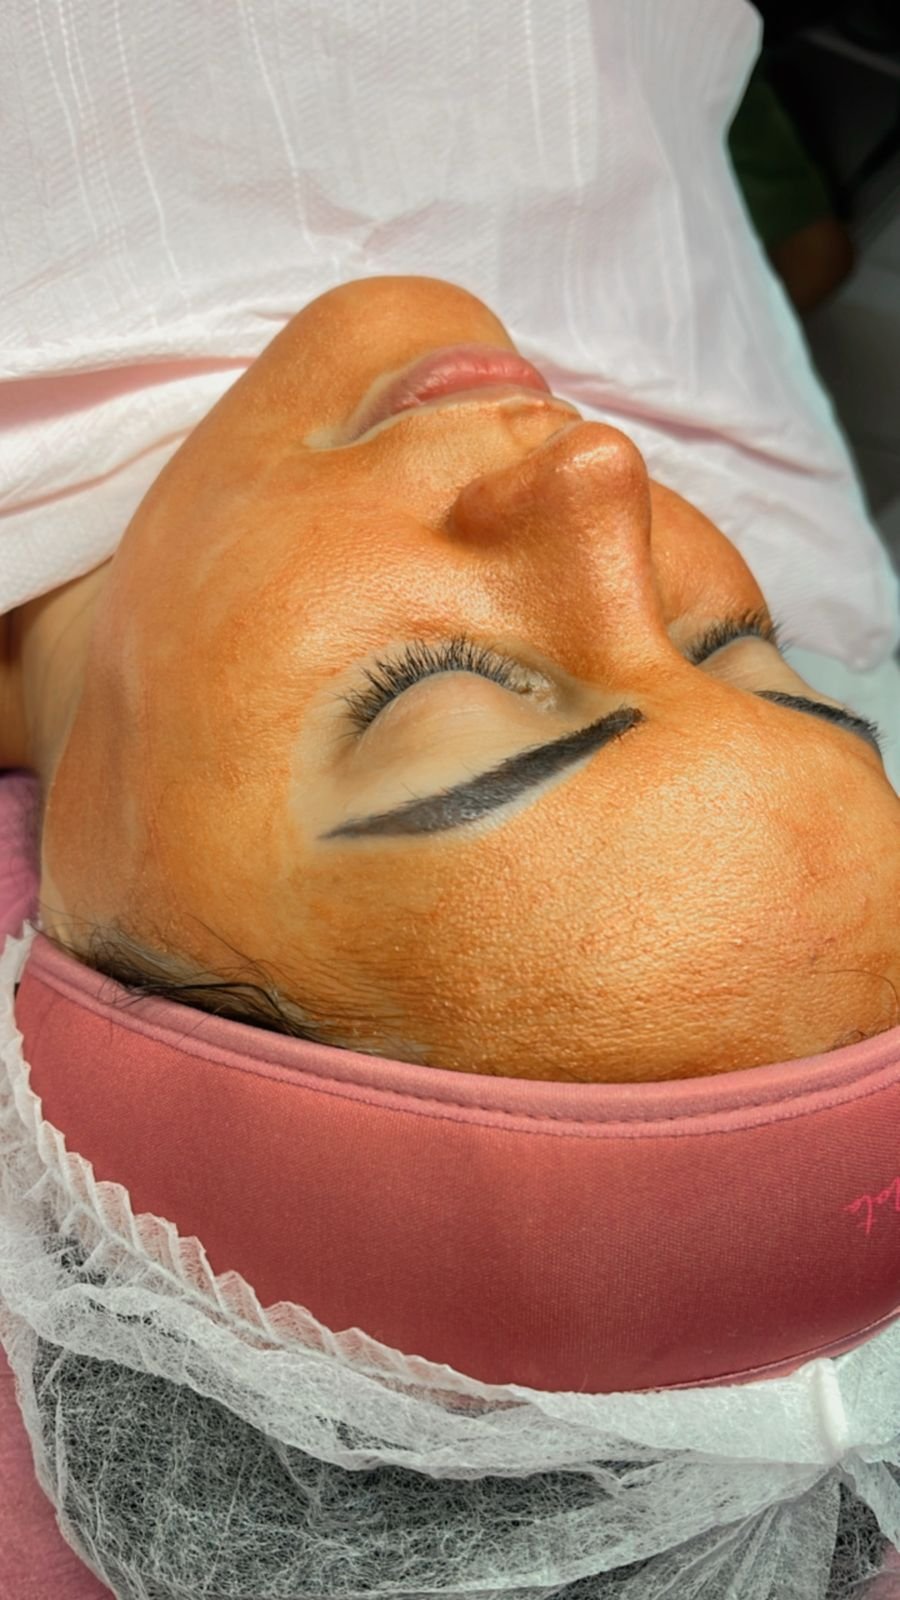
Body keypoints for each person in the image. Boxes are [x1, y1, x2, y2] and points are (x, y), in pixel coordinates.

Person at [2, 3, 900, 1598]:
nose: (598, 477)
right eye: (747, 657)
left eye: (438, 695)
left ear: (63, 925)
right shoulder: (753, 470)